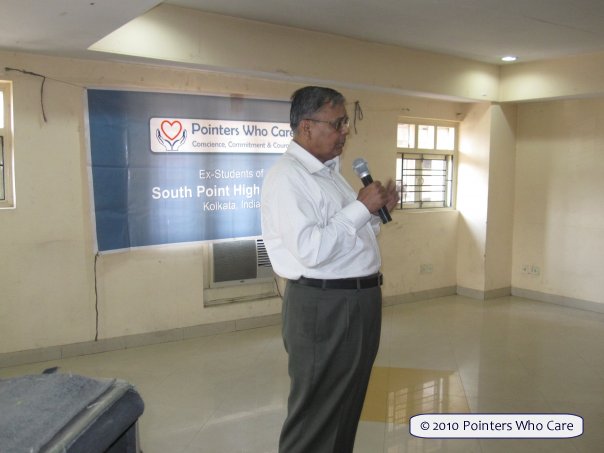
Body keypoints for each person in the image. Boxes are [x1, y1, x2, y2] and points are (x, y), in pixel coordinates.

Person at [261, 86, 398, 453]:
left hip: (354, 301)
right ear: (306, 127)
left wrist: (374, 212)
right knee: (316, 416)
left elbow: (348, 237)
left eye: (345, 124)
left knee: (345, 407)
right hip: (325, 305)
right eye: (337, 124)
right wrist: (360, 208)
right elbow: (311, 249)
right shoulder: (288, 177)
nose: (344, 132)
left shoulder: (328, 173)